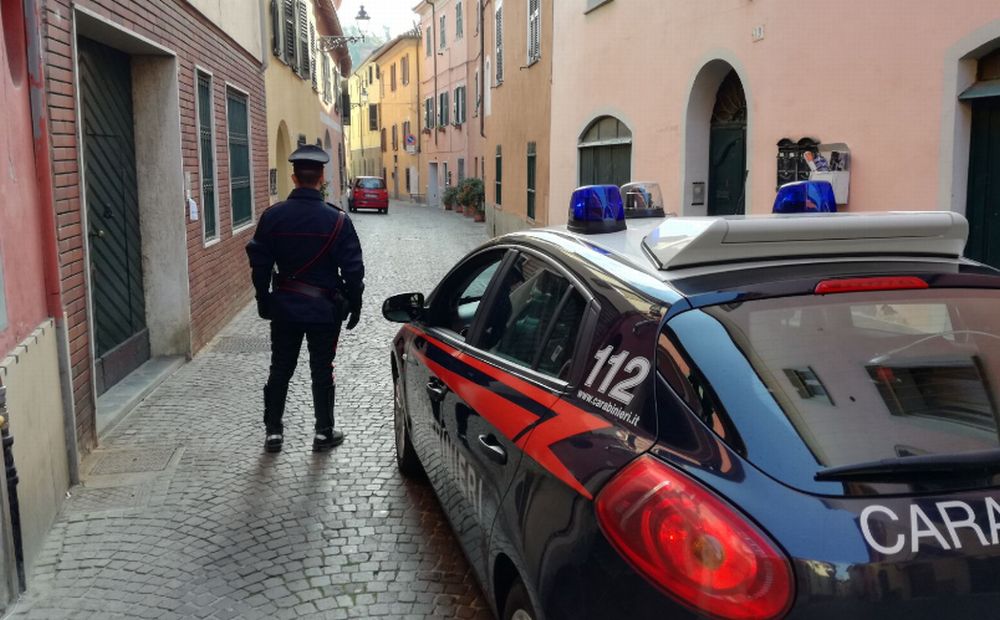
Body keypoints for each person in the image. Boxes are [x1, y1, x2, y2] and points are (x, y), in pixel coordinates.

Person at [246, 144, 365, 453]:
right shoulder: (337, 221)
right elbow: (353, 269)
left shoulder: (273, 217)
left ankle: (274, 432)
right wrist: (356, 303)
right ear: (321, 176)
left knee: (280, 367)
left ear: (294, 177)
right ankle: (324, 432)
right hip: (324, 310)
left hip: (285, 307)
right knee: (322, 369)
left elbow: (259, 263)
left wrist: (263, 299)